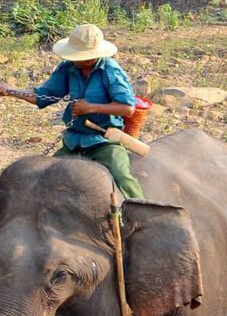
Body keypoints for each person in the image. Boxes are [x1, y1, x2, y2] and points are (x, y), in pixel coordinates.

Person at [32, 22, 144, 202]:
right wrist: (8, 91)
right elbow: (44, 96)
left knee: (122, 177)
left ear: (92, 56)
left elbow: (127, 108)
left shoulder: (110, 70)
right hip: (73, 140)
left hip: (104, 140)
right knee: (46, 177)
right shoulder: (67, 68)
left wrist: (91, 107)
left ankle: (141, 214)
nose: (74, 59)